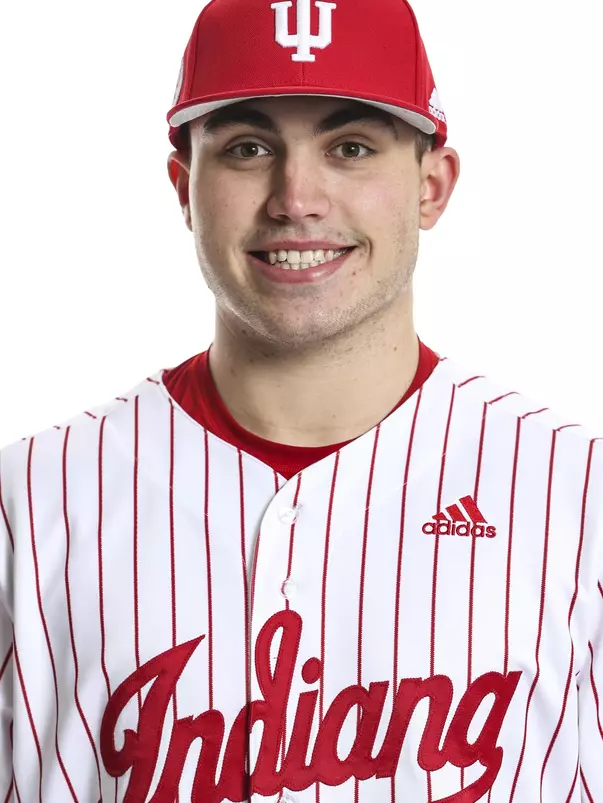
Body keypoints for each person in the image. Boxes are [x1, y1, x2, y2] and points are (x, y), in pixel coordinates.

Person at [1, 0, 602, 799]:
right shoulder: (30, 500)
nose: (296, 197)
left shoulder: (578, 495)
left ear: (431, 186)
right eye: (249, 148)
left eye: (349, 147)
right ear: (184, 186)